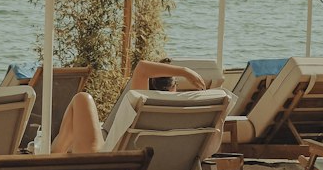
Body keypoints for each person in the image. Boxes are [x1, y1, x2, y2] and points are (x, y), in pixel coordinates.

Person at [52, 60, 207, 154]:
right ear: (174, 88)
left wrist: (185, 71)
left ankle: (53, 156)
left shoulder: (142, 104)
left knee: (82, 99)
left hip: (107, 165)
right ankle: (56, 153)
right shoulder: (182, 116)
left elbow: (142, 68)